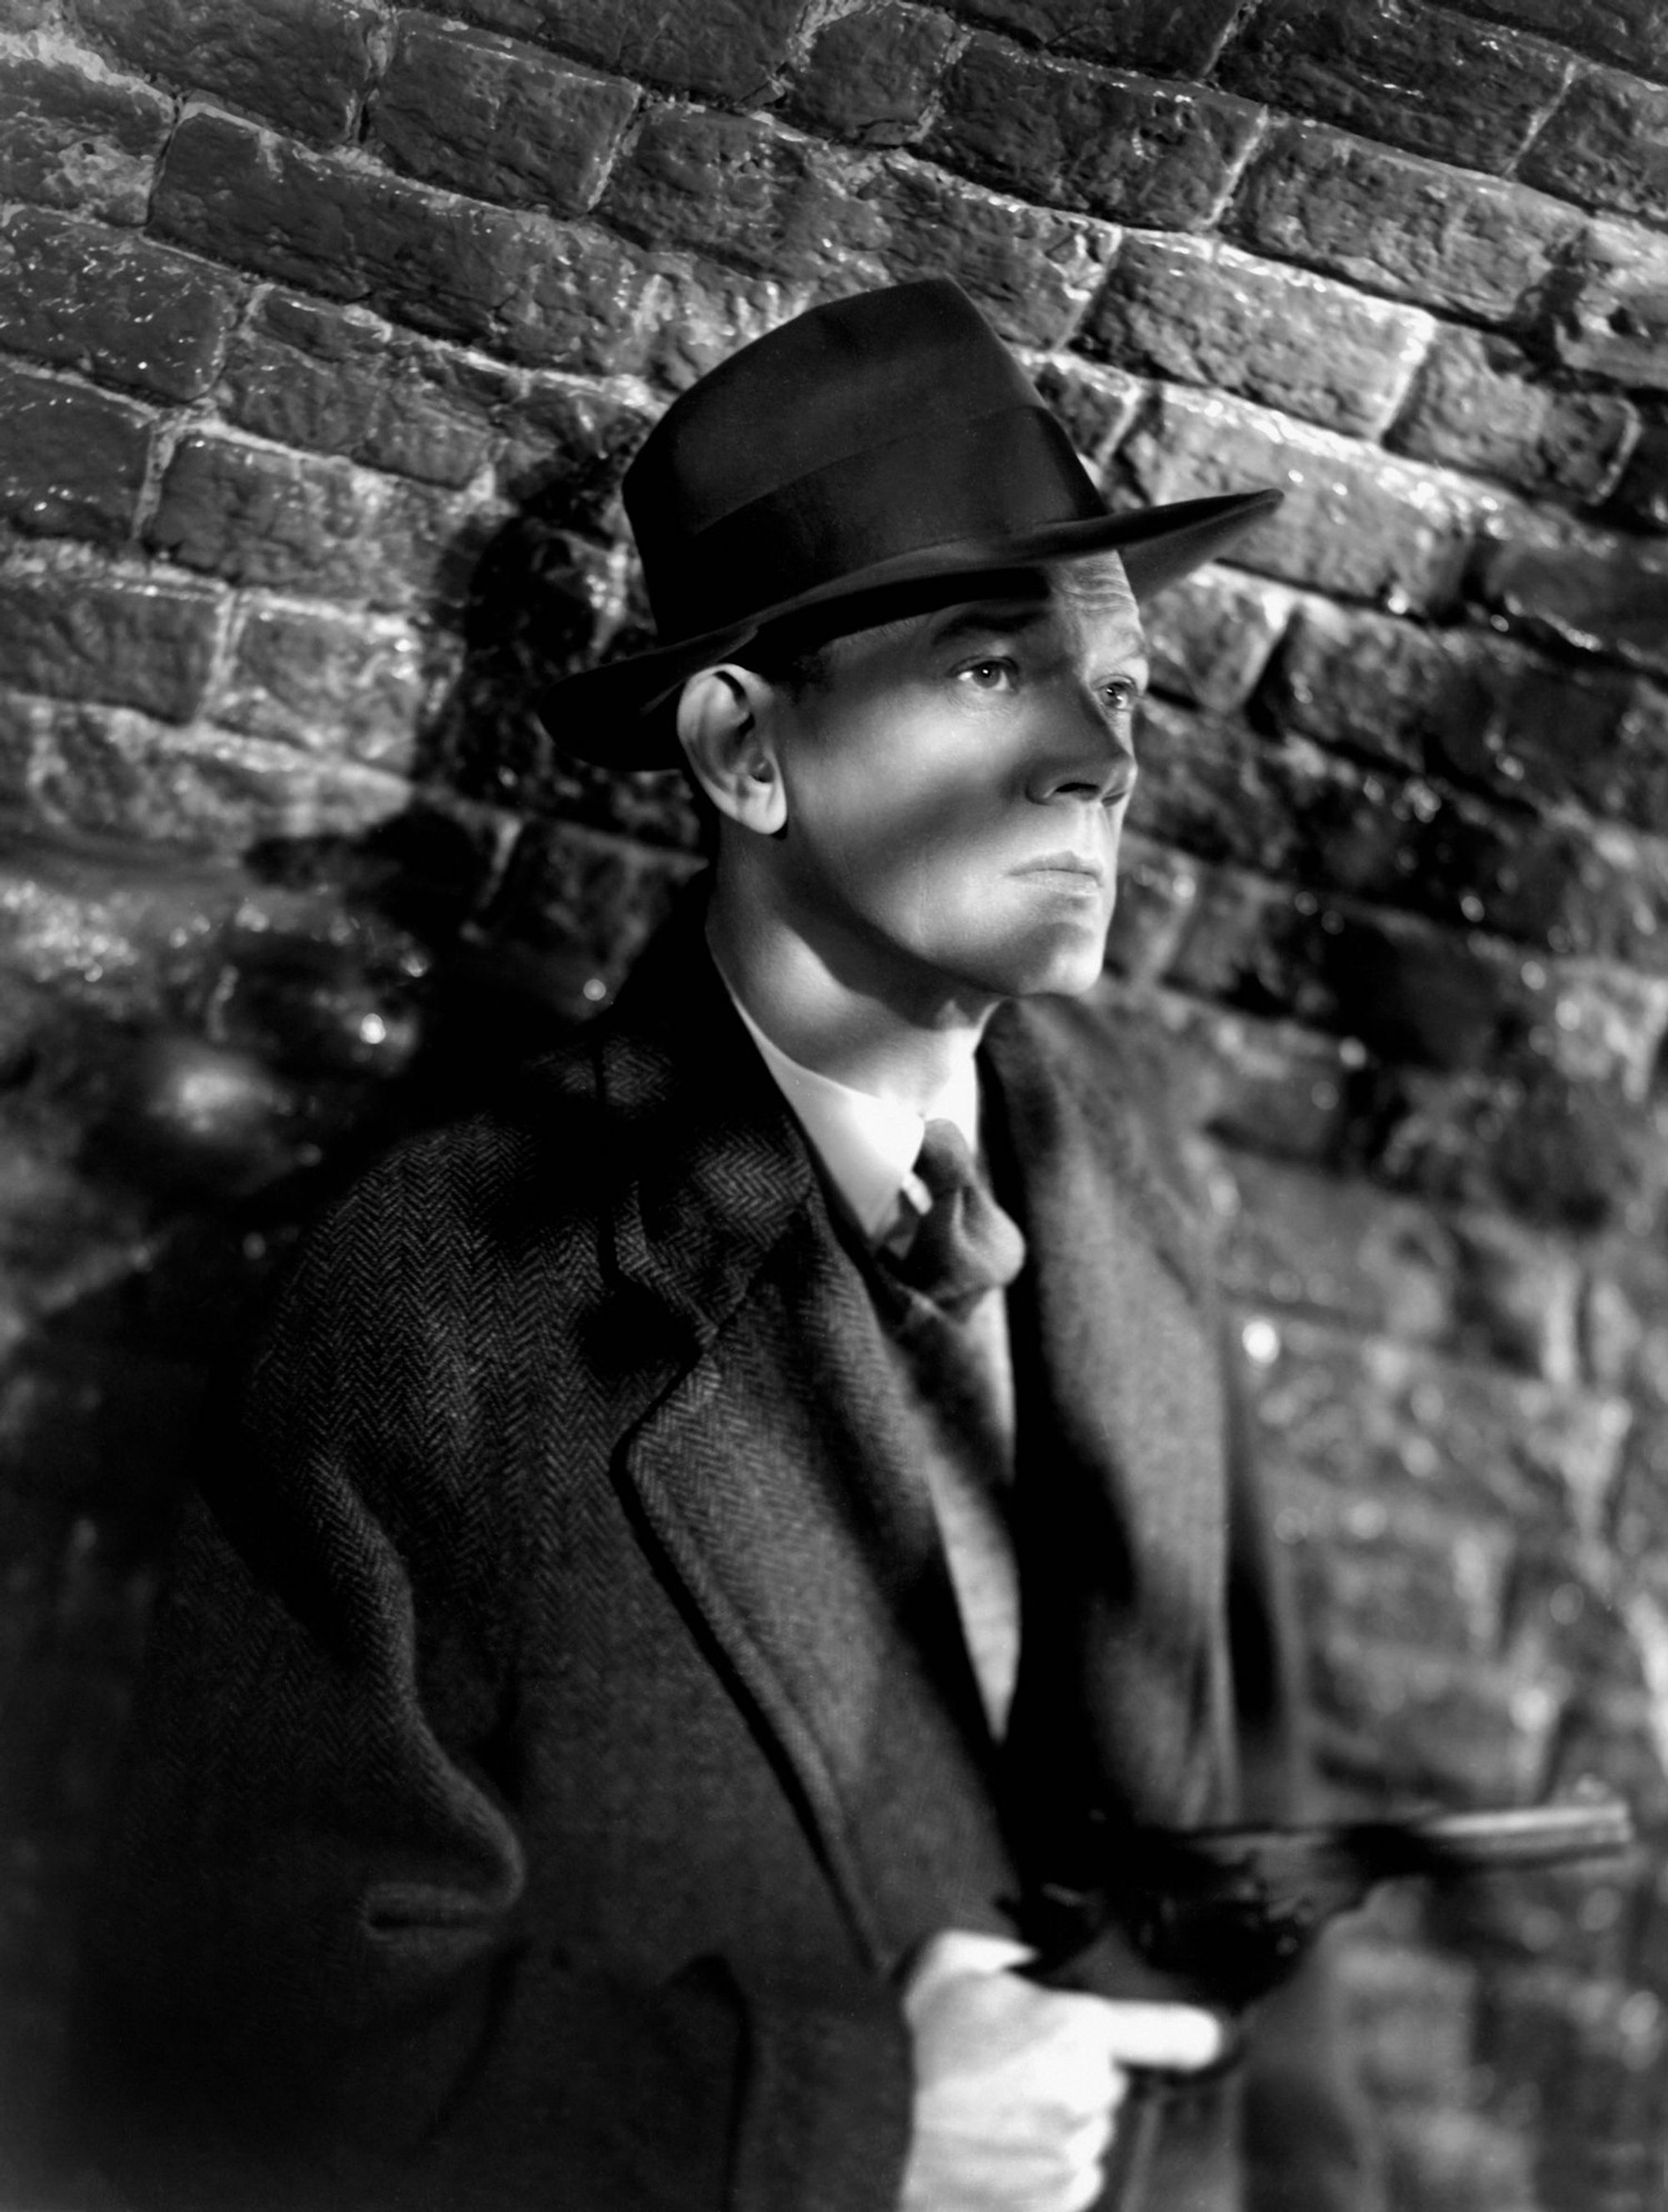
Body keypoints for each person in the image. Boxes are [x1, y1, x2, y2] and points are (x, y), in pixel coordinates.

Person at [65, 279, 1378, 2211]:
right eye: (986, 671)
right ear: (743, 752)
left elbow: (1263, 1860)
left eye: (1123, 690)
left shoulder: (1124, 1173)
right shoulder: (446, 1294)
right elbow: (224, 2056)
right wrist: (844, 2120)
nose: (1104, 758)